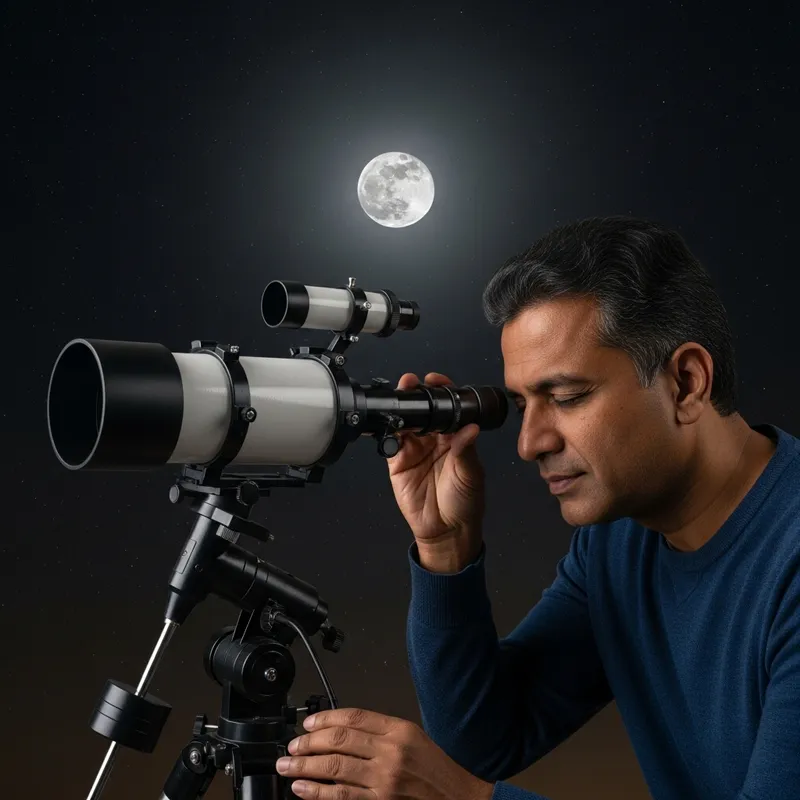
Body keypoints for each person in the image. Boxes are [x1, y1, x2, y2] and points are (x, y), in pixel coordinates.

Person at [274, 216, 800, 800]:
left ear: (686, 382)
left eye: (568, 397)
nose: (529, 444)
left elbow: (467, 779)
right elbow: (485, 741)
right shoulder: (619, 541)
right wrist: (445, 547)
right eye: (522, 404)